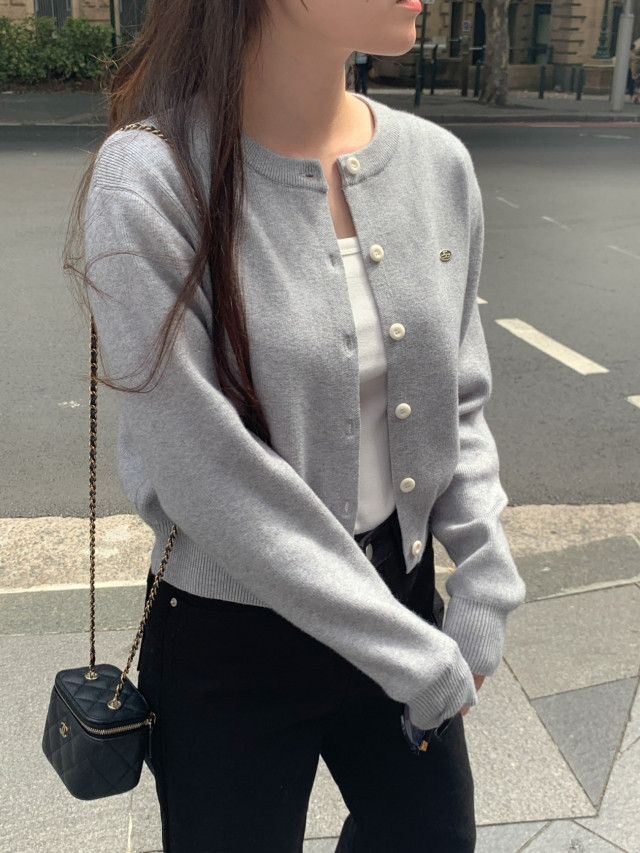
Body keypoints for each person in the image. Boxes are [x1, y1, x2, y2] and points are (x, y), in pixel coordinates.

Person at [71, 1, 525, 851]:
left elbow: (456, 401)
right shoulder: (150, 179)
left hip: (402, 597)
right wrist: (413, 655)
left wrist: (486, 577)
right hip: (230, 633)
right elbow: (205, 469)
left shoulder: (436, 165)